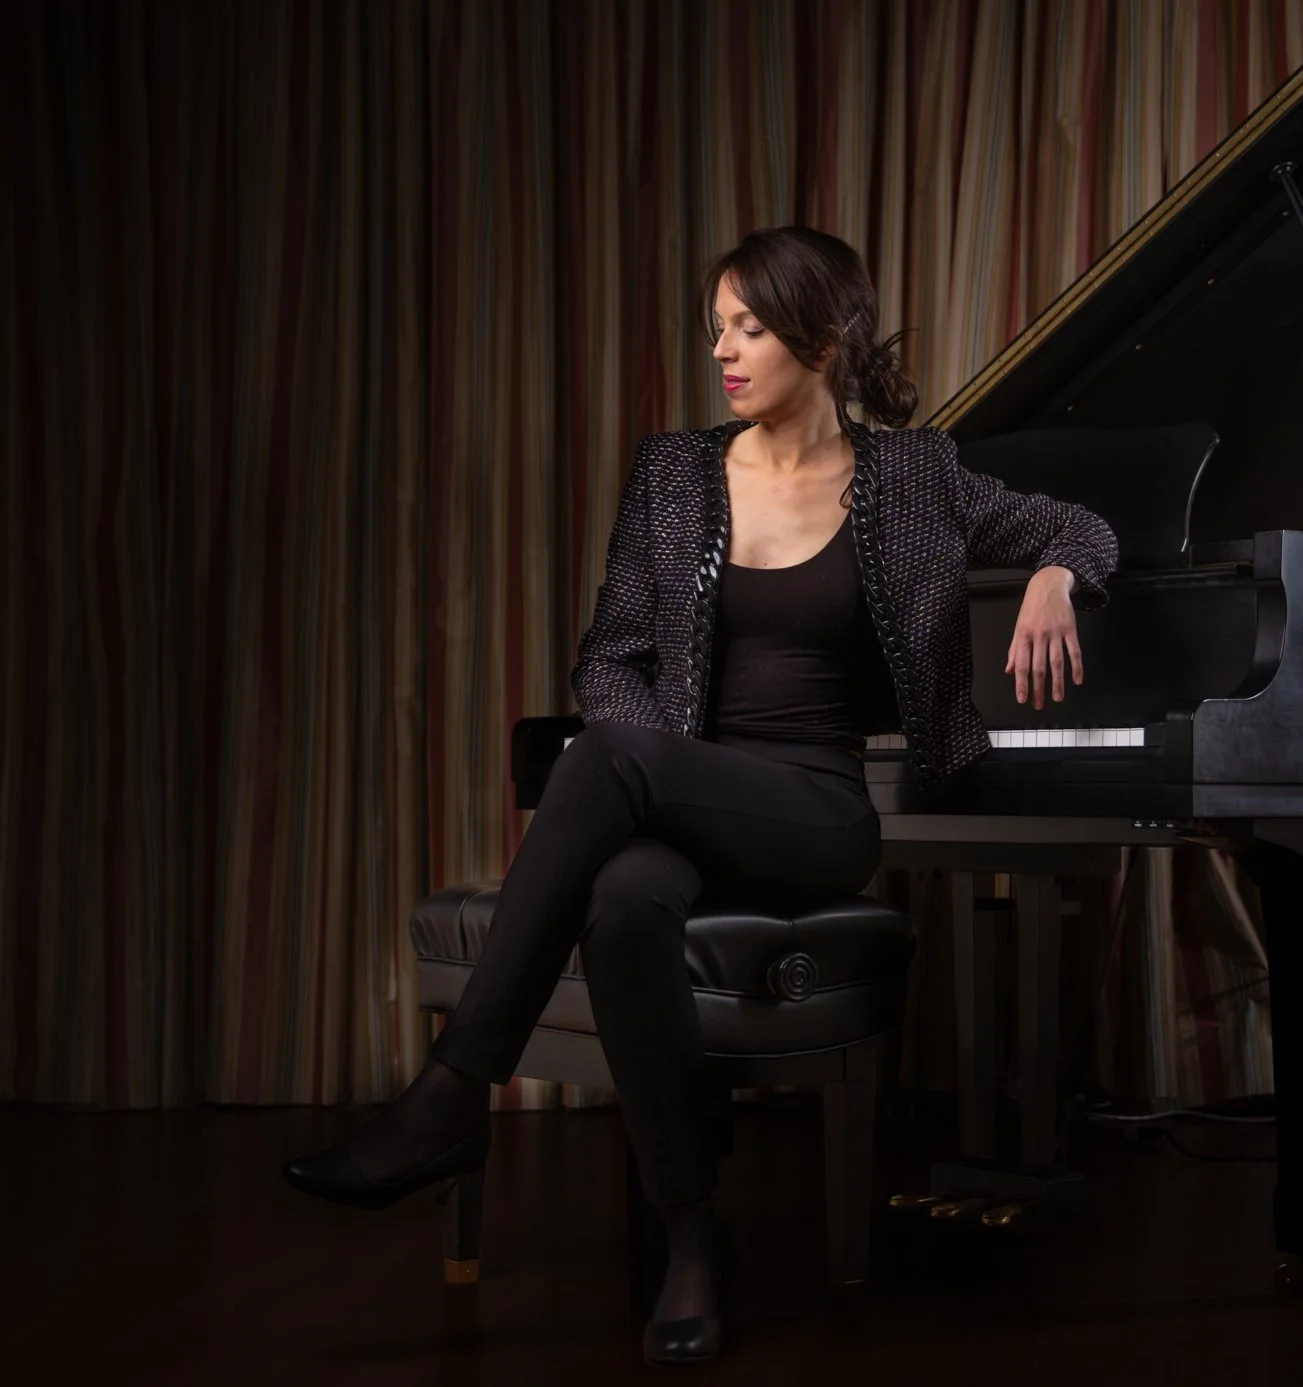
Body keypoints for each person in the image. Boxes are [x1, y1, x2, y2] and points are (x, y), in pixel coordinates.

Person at [283, 226, 1118, 1365]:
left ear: (822, 339)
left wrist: (1056, 576)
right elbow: (610, 658)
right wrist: (661, 765)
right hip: (683, 788)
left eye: (749, 328)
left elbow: (1081, 524)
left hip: (815, 808)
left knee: (603, 760)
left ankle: (449, 1095)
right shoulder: (674, 474)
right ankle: (688, 1238)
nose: (721, 350)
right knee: (623, 902)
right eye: (715, 327)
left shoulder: (914, 476)